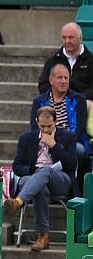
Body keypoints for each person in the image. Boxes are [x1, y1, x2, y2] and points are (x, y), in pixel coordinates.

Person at [4, 106, 76, 252]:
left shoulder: (68, 136)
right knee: (40, 187)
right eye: (42, 126)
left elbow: (71, 164)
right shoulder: (27, 138)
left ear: (55, 122)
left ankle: (18, 201)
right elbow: (17, 166)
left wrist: (54, 145)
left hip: (59, 179)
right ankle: (42, 236)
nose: (46, 130)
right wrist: (35, 171)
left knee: (45, 171)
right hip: (31, 178)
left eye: (49, 126)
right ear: (37, 122)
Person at [31, 63, 89, 195]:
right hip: (45, 138)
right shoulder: (39, 101)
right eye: (60, 78)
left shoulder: (78, 99)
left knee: (79, 151)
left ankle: (75, 190)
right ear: (51, 80)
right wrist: (48, 139)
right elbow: (35, 127)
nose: (63, 81)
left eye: (66, 78)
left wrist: (60, 143)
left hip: (71, 140)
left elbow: (79, 128)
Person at [37, 22, 93, 102]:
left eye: (71, 37)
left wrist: (78, 99)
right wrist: (59, 98)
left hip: (84, 102)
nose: (67, 41)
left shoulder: (91, 59)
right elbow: (43, 85)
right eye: (64, 38)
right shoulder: (53, 60)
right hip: (57, 102)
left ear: (80, 38)